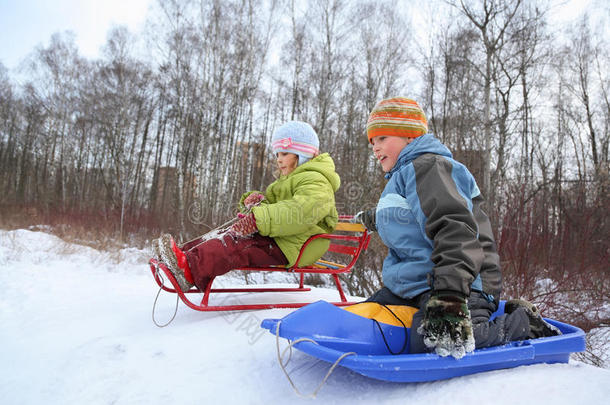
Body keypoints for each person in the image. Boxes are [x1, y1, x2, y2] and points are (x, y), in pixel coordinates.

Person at [354, 97, 560, 359]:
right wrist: (371, 218)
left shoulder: (430, 167)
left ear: (409, 136)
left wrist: (449, 296)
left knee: (439, 341)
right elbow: (406, 215)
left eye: (382, 137)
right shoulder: (402, 177)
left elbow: (455, 229)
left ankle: (523, 325)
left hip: (461, 284)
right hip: (413, 286)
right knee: (368, 321)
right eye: (372, 141)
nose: (375, 147)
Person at [153, 120, 340, 294]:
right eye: (277, 155)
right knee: (228, 233)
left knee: (237, 245)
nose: (279, 160)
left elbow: (300, 212)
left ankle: (188, 270)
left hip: (296, 246)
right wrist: (257, 202)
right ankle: (182, 256)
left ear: (304, 155)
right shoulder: (290, 180)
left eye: (284, 154)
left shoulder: (317, 181)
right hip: (285, 238)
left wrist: (260, 219)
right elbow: (279, 208)